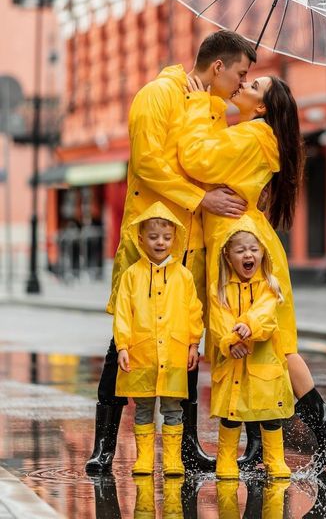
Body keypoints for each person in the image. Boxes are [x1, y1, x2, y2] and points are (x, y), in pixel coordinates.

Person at [85, 30, 257, 475]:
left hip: (194, 245)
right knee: (126, 343)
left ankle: (186, 447)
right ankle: (103, 446)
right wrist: (203, 199)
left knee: (186, 345)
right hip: (151, 240)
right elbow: (148, 164)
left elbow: (207, 160)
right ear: (218, 66)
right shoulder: (156, 95)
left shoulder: (214, 107)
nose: (242, 84)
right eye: (240, 73)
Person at [178, 74, 326, 474]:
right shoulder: (254, 132)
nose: (242, 84)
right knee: (265, 345)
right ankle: (274, 441)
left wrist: (199, 104)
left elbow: (198, 158)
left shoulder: (254, 135)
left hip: (241, 244)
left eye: (252, 84)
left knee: (270, 345)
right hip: (246, 239)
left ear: (261, 108)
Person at [113, 201, 203, 476]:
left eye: (166, 237)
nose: (160, 242)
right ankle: (144, 459)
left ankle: (173, 460)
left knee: (173, 407)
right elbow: (123, 313)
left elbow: (193, 312)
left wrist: (193, 344)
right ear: (141, 239)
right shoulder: (132, 276)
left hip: (174, 352)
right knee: (143, 407)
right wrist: (122, 346)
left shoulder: (184, 276)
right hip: (142, 353)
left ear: (175, 238)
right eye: (153, 237)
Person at [209, 219, 294, 480]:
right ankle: (226, 459)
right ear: (228, 255)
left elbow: (267, 316)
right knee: (232, 413)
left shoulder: (270, 285)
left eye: (254, 250)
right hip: (233, 361)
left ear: (262, 253)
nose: (248, 255)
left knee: (270, 413)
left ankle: (275, 459)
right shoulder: (219, 289)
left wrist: (249, 325)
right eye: (241, 250)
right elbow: (218, 321)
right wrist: (230, 341)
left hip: (263, 362)